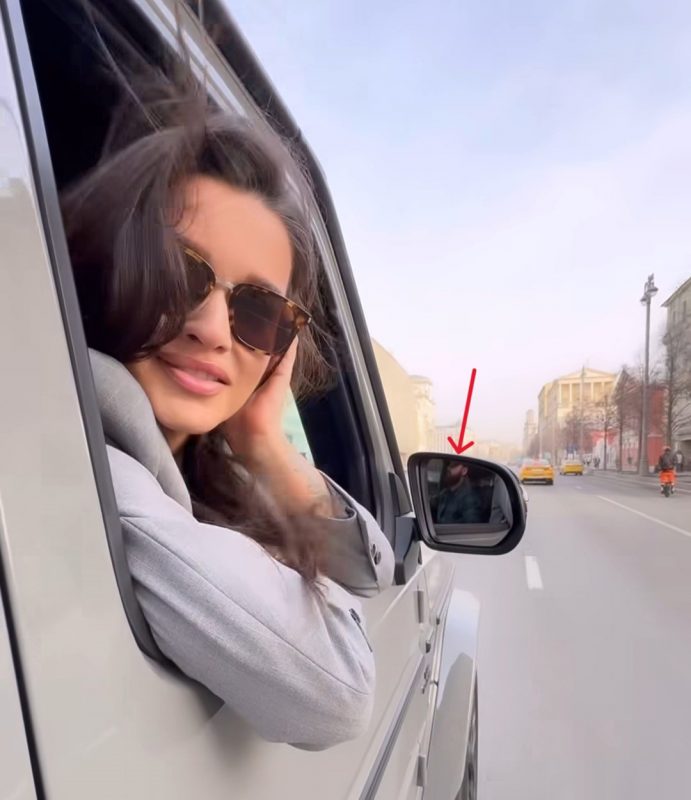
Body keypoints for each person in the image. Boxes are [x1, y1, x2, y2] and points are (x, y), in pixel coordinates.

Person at [61, 21, 394, 749]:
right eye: (178, 272)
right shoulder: (88, 467)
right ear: (107, 266)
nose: (212, 329)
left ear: (279, 351)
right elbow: (336, 693)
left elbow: (370, 564)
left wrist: (263, 443)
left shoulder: (206, 464)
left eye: (259, 311)